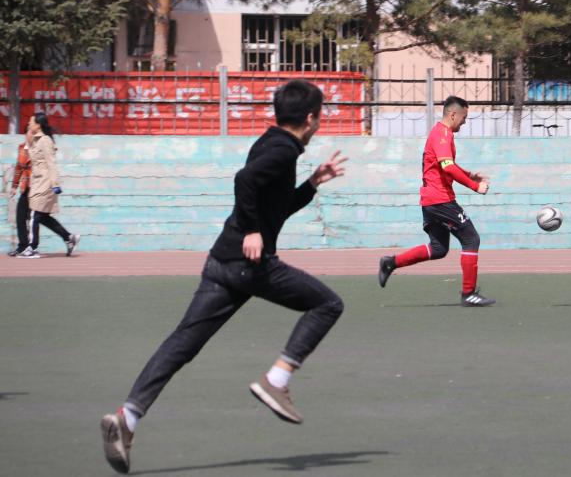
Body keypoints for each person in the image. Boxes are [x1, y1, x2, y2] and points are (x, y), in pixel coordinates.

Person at [101, 80, 348, 474]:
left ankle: (127, 418)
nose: (320, 122)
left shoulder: (270, 142)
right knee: (328, 304)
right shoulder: (283, 150)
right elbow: (243, 180)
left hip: (222, 261)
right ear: (310, 118)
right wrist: (252, 230)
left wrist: (313, 183)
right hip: (250, 264)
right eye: (321, 116)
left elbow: (276, 207)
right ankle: (276, 380)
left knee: (182, 343)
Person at [377, 95, 495, 306]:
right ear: (453, 114)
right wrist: (475, 186)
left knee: (438, 248)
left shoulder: (439, 133)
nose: (465, 122)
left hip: (430, 201)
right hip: (441, 200)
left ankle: (390, 263)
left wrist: (469, 174)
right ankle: (468, 294)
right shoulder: (442, 134)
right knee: (471, 239)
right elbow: (447, 167)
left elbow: (444, 165)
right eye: (464, 117)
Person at [17, 113, 80, 258]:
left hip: (45, 183)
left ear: (38, 124)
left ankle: (32, 248)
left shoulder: (45, 141)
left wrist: (55, 184)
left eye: (31, 122)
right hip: (37, 182)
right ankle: (69, 237)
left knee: (33, 214)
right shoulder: (35, 140)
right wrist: (29, 141)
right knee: (43, 217)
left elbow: (51, 163)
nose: (29, 124)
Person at [7, 128, 33, 257]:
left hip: (36, 187)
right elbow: (18, 168)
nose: (32, 135)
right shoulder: (22, 148)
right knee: (20, 217)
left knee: (37, 219)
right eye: (30, 132)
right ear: (25, 134)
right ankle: (23, 246)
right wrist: (14, 186)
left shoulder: (38, 148)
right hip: (25, 187)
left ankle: (30, 247)